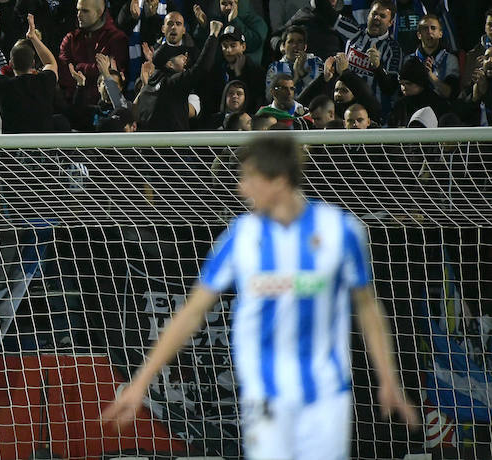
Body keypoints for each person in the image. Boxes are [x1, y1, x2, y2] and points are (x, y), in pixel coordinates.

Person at [102, 135, 419, 456]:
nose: (242, 189)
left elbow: (367, 306)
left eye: (250, 179)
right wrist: (140, 382)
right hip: (265, 398)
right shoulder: (240, 236)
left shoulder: (341, 230)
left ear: (279, 181)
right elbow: (191, 312)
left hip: (325, 396)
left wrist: (388, 377)